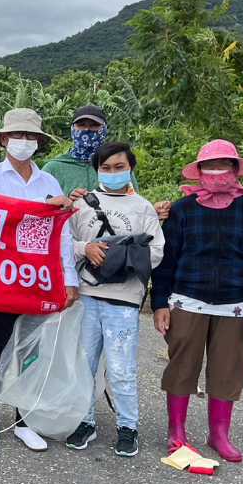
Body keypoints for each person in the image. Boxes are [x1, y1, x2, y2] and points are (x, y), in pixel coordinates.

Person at [151, 140, 243, 463]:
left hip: (236, 305)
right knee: (182, 366)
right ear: (200, 172)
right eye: (210, 166)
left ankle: (219, 433)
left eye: (225, 166)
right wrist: (160, 303)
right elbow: (166, 259)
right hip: (187, 301)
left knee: (227, 370)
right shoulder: (183, 210)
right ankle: (176, 431)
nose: (217, 173)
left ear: (236, 171)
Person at [0, 108, 79, 454]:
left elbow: (60, 235)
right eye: (17, 136)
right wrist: (44, 207)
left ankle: (23, 421)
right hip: (3, 278)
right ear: (4, 139)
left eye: (31, 137)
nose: (24, 142)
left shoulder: (49, 181)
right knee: (0, 347)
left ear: (38, 142)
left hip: (39, 280)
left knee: (31, 352)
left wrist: (69, 279)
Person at [63, 142, 164, 458]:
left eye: (119, 167)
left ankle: (128, 427)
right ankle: (85, 421)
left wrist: (122, 259)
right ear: (96, 170)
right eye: (106, 168)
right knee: (84, 365)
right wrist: (86, 249)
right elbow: (65, 242)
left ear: (131, 167)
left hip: (124, 301)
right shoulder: (81, 206)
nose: (113, 173)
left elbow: (157, 251)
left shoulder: (144, 208)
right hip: (89, 297)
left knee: (121, 368)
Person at [42, 105, 116, 196]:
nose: (87, 129)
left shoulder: (117, 166)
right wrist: (68, 201)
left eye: (94, 125)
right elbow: (39, 204)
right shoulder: (54, 168)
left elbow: (133, 202)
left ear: (104, 129)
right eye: (81, 125)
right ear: (73, 129)